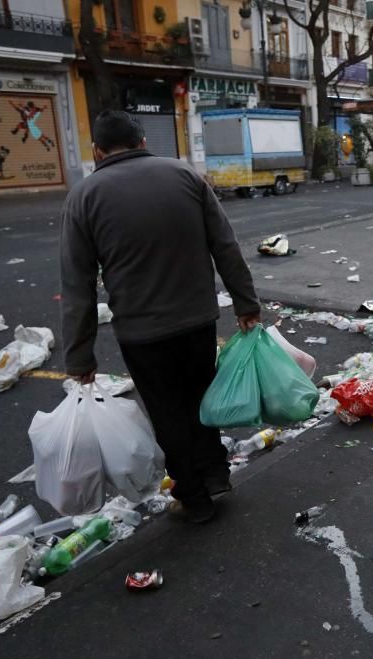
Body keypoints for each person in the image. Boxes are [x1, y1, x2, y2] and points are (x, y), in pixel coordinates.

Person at [60, 110, 261, 523]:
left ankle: (193, 497)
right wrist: (245, 303)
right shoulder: (185, 176)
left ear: (97, 151)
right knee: (202, 398)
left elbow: (77, 284)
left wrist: (80, 356)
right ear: (143, 142)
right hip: (197, 320)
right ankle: (215, 473)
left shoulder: (84, 196)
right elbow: (225, 245)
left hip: (142, 332)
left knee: (168, 412)